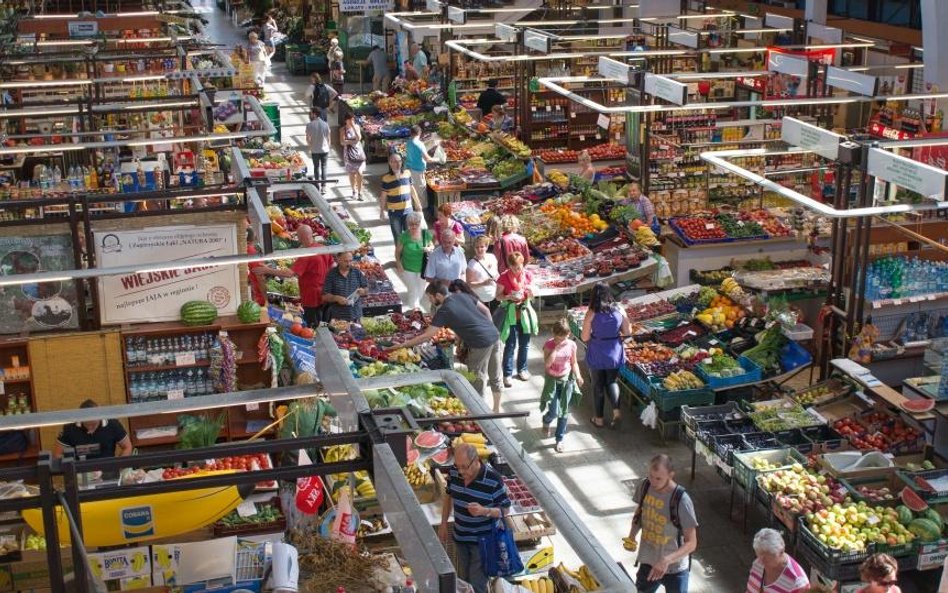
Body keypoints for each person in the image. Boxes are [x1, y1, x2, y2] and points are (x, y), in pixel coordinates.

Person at [393, 283, 503, 411]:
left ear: (438, 295)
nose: (430, 301)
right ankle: (496, 409)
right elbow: (485, 311)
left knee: (477, 379)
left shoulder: (444, 310)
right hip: (494, 334)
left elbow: (426, 337)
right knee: (495, 375)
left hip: (479, 342)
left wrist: (402, 345)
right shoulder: (463, 296)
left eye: (430, 297)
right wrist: (486, 330)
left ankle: (480, 413)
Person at [439, 443, 511, 593]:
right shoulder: (454, 472)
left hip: (483, 542)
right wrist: (443, 523)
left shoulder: (493, 479)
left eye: (464, 467)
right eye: (457, 466)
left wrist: (485, 511)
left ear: (476, 460)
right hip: (460, 537)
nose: (461, 471)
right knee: (465, 581)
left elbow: (505, 510)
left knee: (477, 583)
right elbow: (448, 496)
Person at [626, 454, 699, 593]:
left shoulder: (682, 500)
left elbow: (692, 543)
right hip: (649, 560)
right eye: (651, 476)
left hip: (675, 568)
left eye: (658, 478)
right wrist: (631, 536)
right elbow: (640, 512)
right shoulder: (645, 486)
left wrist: (666, 560)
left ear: (671, 475)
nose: (653, 482)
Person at [581, 282, 631, 428]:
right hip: (614, 350)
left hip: (597, 350)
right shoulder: (619, 309)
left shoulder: (591, 312)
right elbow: (627, 332)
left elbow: (584, 337)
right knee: (612, 381)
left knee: (598, 385)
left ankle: (599, 419)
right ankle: (616, 412)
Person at [540, 318, 583, 453]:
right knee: (554, 411)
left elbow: (574, 362)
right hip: (552, 380)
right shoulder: (549, 345)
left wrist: (578, 376)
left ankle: (559, 439)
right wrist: (555, 349)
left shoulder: (572, 345)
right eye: (557, 338)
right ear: (553, 334)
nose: (560, 341)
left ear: (568, 335)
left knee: (563, 411)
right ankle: (546, 420)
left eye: (562, 339)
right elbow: (546, 365)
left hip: (566, 380)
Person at [496, 252, 535, 386]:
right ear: (510, 266)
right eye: (514, 268)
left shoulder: (528, 275)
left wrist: (531, 293)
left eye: (519, 267)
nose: (518, 270)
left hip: (524, 313)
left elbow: (533, 294)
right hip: (510, 315)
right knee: (510, 345)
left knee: (525, 344)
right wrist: (508, 297)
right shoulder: (503, 278)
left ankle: (522, 369)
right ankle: (507, 373)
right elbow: (498, 296)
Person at [55, 399, 132, 459]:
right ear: (80, 419)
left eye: (94, 424)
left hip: (109, 471)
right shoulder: (69, 428)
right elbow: (58, 454)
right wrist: (73, 466)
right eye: (87, 425)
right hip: (81, 473)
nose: (91, 428)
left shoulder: (113, 424)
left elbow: (127, 447)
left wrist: (118, 466)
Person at [290, 226, 335, 326]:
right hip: (325, 294)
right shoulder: (322, 248)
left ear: (301, 237)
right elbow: (333, 266)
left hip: (311, 297)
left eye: (298, 236)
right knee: (324, 322)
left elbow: (289, 273)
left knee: (313, 325)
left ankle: (318, 339)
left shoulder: (307, 254)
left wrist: (267, 270)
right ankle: (326, 336)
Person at [745, 528, 809, 593]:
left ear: (781, 551)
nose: (761, 561)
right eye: (759, 554)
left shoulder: (798, 583)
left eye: (767, 556)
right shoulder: (757, 563)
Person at [395, 212, 434, 312]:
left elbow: (432, 245)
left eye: (416, 224)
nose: (413, 226)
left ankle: (414, 306)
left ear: (420, 223)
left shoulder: (425, 234)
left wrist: (429, 248)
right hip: (408, 267)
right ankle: (415, 309)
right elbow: (398, 252)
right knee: (413, 289)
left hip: (423, 267)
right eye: (411, 224)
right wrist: (399, 264)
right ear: (407, 224)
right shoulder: (404, 236)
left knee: (421, 289)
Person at [379, 152, 421, 243]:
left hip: (408, 211)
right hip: (394, 213)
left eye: (398, 161)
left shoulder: (407, 173)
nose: (396, 164)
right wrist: (382, 211)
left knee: (410, 236)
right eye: (393, 162)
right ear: (389, 163)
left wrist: (418, 204)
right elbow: (383, 197)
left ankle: (408, 256)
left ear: (402, 162)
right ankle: (399, 257)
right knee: (398, 238)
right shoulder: (386, 178)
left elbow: (412, 189)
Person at [321, 251, 368, 322]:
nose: (349, 264)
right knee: (342, 333)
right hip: (338, 318)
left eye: (350, 261)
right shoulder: (331, 275)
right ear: (338, 260)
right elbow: (324, 296)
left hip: (356, 314)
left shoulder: (356, 272)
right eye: (346, 261)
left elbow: (366, 289)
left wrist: (363, 291)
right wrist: (336, 298)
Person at [405, 125, 437, 220]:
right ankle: (422, 215)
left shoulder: (409, 142)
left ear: (411, 133)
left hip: (409, 169)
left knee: (412, 191)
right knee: (420, 193)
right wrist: (437, 159)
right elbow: (427, 158)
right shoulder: (419, 144)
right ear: (419, 133)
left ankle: (414, 212)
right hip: (417, 171)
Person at [466, 235, 498, 309]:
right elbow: (469, 284)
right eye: (477, 247)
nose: (479, 249)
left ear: (486, 247)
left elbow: (497, 273)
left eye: (482, 247)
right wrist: (483, 283)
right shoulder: (472, 264)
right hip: (481, 300)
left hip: (495, 297)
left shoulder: (492, 257)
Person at [341, 113, 366, 201]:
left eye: (353, 119)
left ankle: (360, 192)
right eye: (350, 119)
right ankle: (354, 191)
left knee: (359, 172)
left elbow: (359, 138)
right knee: (351, 173)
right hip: (348, 154)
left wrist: (354, 129)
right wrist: (352, 141)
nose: (352, 121)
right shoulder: (343, 129)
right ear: (346, 120)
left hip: (358, 153)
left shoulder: (357, 127)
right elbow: (342, 142)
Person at [305, 108, 331, 186]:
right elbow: (328, 137)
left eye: (312, 113)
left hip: (315, 150)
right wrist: (328, 147)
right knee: (324, 167)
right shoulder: (325, 124)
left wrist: (310, 146)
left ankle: (317, 185)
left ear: (315, 114)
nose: (311, 115)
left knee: (316, 167)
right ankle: (324, 186)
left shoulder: (309, 125)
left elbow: (308, 138)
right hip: (324, 150)